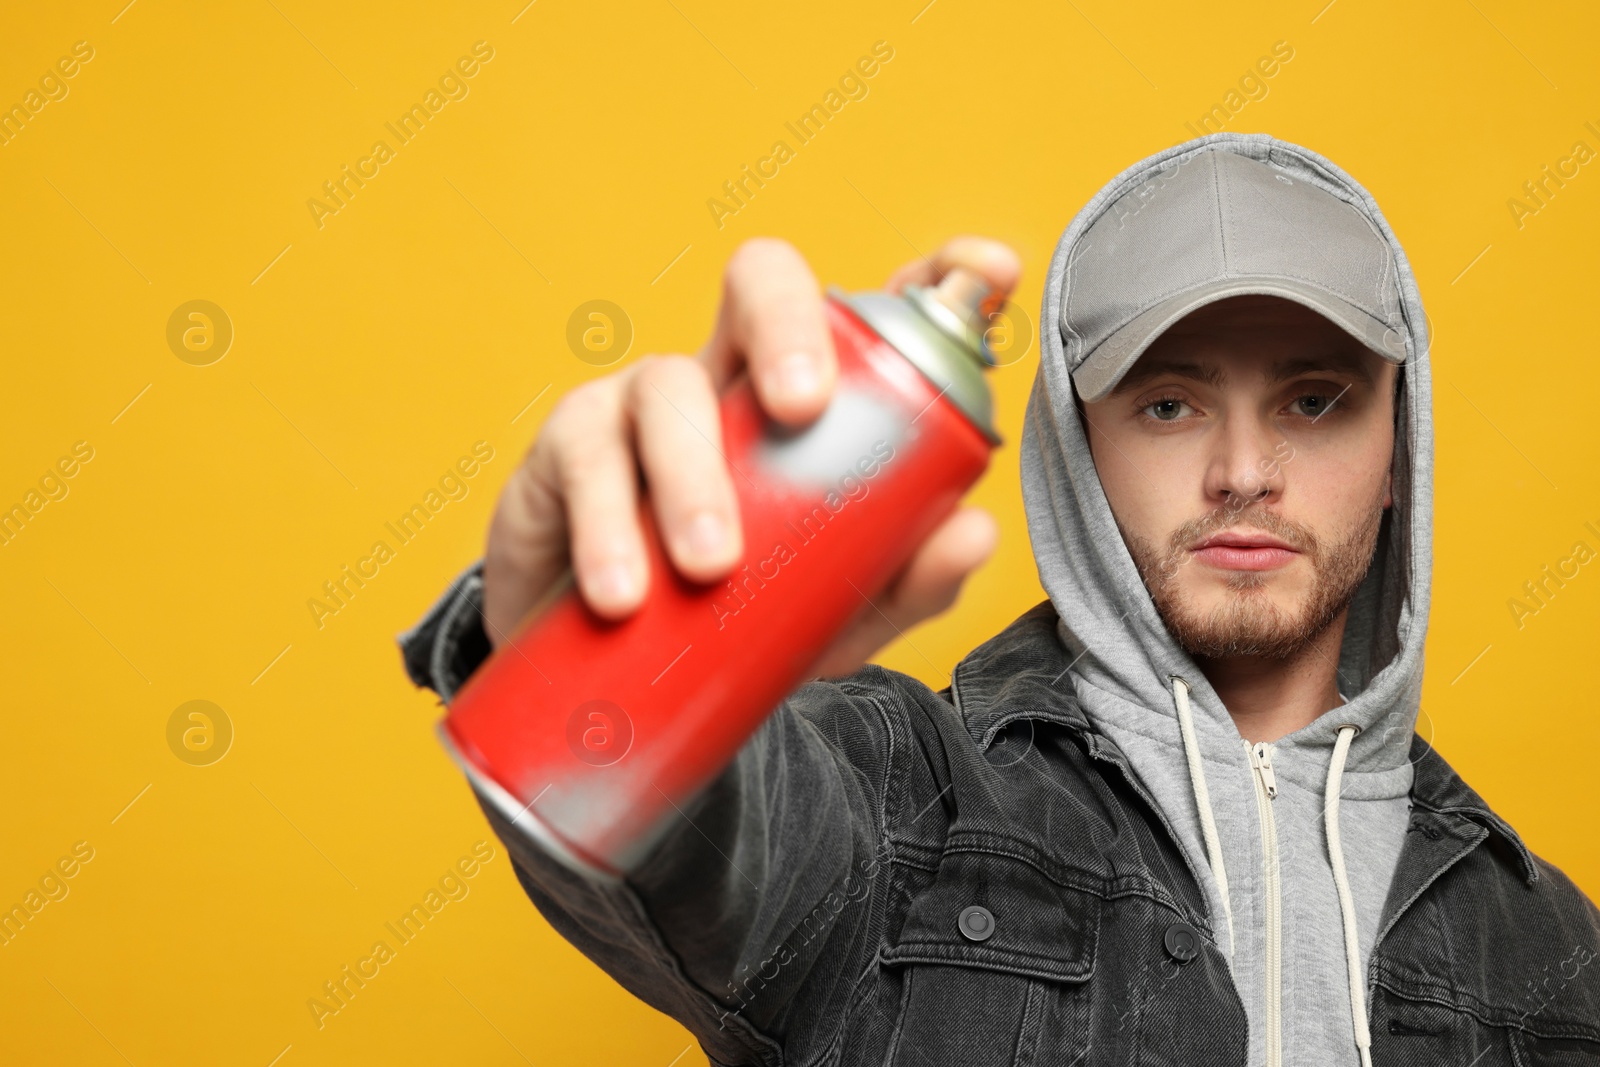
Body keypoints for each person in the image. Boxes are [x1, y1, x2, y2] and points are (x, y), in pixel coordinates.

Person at [398, 132, 1600, 1065]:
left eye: (1315, 398)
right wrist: (594, 627)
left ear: (1401, 453)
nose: (1243, 470)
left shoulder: (1556, 946)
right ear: (1076, 451)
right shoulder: (898, 800)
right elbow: (642, 802)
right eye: (1170, 402)